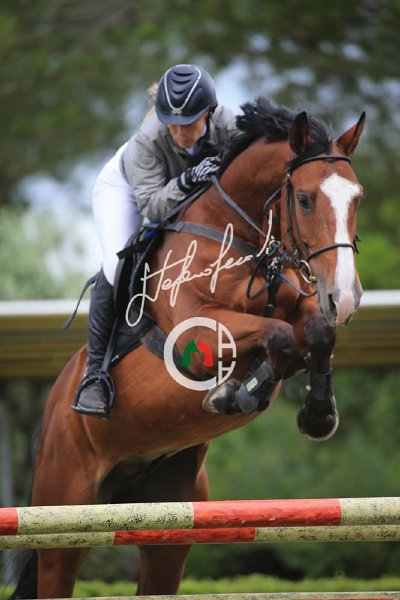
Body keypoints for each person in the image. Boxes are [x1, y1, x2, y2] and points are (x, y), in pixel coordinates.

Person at [71, 64, 238, 419]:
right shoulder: (147, 140)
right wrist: (189, 179)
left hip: (177, 193)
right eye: (172, 124)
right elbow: (152, 206)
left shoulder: (229, 124)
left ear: (208, 113)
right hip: (127, 190)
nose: (179, 133)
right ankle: (95, 374)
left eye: (188, 123)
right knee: (116, 264)